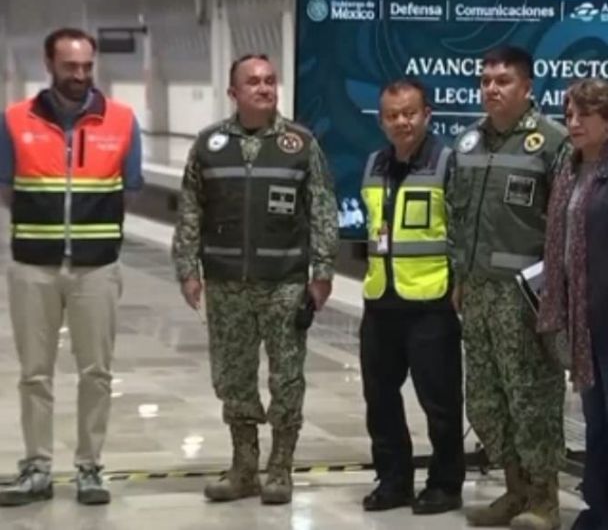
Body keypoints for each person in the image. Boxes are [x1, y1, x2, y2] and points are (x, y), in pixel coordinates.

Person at [171, 54, 339, 505]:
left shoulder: (300, 144)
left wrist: (321, 273)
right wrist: (188, 269)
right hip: (226, 285)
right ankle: (244, 466)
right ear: (234, 93)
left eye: (269, 81)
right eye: (253, 82)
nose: (264, 88)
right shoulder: (209, 145)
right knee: (233, 378)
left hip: (284, 282)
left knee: (287, 378)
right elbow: (190, 209)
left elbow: (322, 209)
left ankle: (280, 468)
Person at [0, 27, 143, 507]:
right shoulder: (14, 120)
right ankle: (37, 467)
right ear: (49, 64)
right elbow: (7, 187)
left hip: (96, 267)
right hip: (32, 266)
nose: (80, 75)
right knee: (34, 373)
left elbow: (129, 187)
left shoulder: (121, 120)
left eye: (87, 67)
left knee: (96, 372)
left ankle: (89, 468)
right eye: (70, 67)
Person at [446, 45, 569, 530]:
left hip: (525, 299)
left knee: (531, 397)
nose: (492, 89)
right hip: (476, 294)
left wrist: (555, 297)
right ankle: (514, 490)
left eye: (503, 81)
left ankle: (545, 500)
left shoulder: (553, 143)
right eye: (486, 80)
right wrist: (460, 275)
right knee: (486, 398)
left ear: (527, 87)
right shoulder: (468, 143)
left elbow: (562, 227)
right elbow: (457, 217)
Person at [536, 79, 608, 530]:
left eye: (585, 115)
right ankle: (599, 503)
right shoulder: (569, 169)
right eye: (569, 115)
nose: (574, 124)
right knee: (596, 416)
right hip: (580, 315)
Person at [358, 78, 465, 515]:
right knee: (380, 399)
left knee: (439, 402)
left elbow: (460, 230)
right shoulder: (373, 165)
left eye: (409, 113)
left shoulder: (447, 163)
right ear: (381, 120)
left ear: (427, 114)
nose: (401, 121)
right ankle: (394, 480)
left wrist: (460, 285)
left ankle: (444, 483)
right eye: (392, 115)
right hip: (381, 300)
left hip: (431, 303)